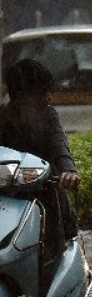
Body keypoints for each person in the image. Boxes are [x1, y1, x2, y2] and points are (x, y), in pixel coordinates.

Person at [0, 57, 82, 258]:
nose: (49, 98)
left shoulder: (48, 116)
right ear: (20, 96)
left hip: (44, 191)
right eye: (41, 92)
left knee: (58, 235)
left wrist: (68, 171)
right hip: (6, 193)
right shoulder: (1, 118)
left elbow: (59, 145)